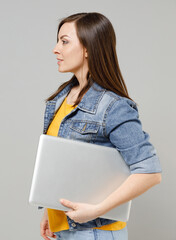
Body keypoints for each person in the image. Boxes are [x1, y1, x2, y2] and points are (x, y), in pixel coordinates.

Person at [39, 12, 162, 240]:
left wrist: (96, 210)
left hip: (95, 232)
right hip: (66, 230)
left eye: (64, 41)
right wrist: (50, 212)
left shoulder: (113, 106)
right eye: (58, 41)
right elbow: (64, 165)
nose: (55, 49)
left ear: (87, 49)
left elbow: (150, 172)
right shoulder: (60, 99)